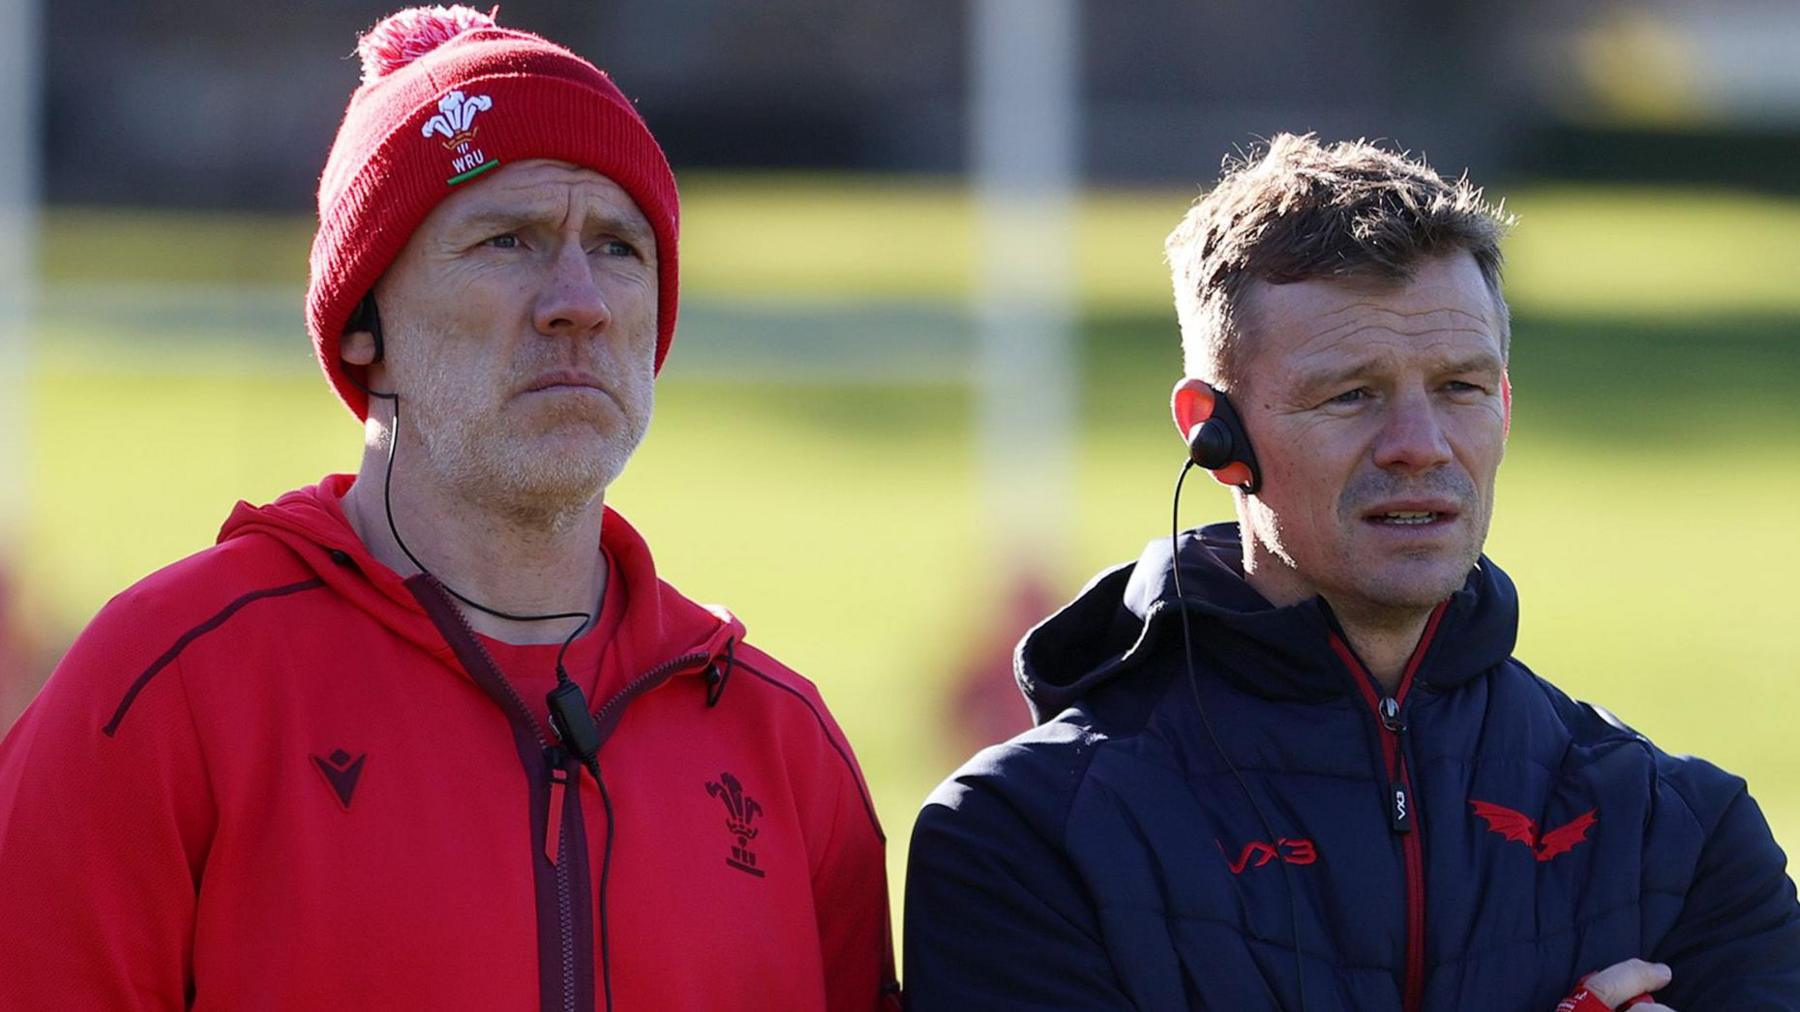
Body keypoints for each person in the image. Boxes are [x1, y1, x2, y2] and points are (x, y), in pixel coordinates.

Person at [0, 8, 899, 1010]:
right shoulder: (171, 690)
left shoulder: (781, 748)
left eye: (619, 247)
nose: (578, 300)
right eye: (507, 239)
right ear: (362, 324)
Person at [903, 134, 1800, 1010]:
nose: (1421, 446)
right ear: (1212, 434)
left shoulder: (1680, 834)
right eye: (1351, 394)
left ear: (1505, 405)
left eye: (1461, 388)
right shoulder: (1021, 837)